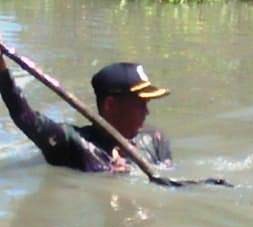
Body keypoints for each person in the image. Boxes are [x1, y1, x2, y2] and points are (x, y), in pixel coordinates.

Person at [0, 56, 172, 173]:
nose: (147, 112)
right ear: (110, 105)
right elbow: (25, 117)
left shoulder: (155, 140)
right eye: (140, 104)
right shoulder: (74, 144)